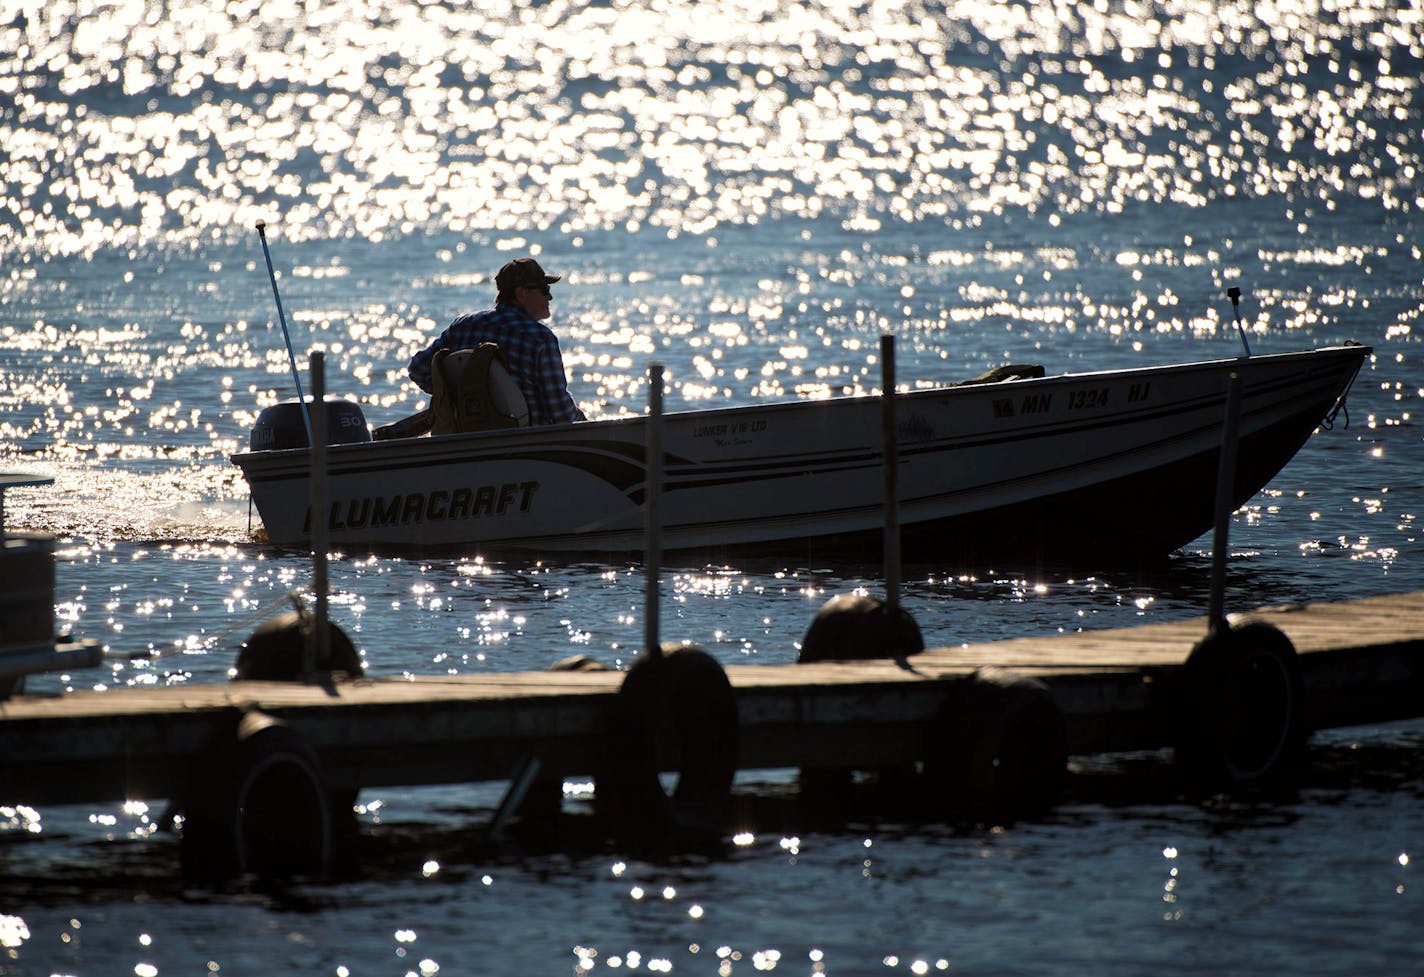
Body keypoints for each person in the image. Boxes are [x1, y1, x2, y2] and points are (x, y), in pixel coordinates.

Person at [408, 256, 585, 425]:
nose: (550, 297)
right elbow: (561, 413)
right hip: (527, 443)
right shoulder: (540, 338)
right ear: (522, 293)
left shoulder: (463, 326)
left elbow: (418, 368)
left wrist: (456, 398)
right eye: (545, 290)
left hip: (464, 438)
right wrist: (587, 422)